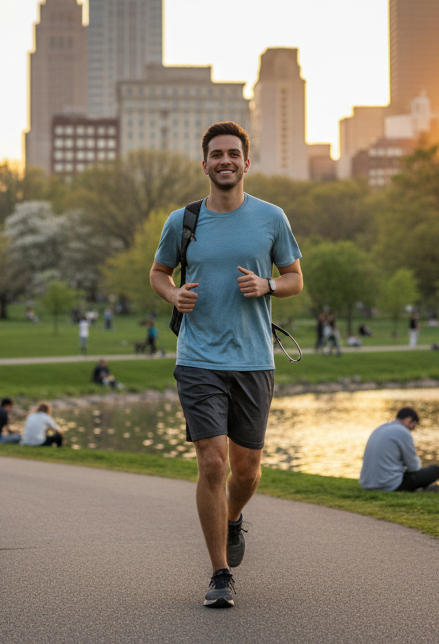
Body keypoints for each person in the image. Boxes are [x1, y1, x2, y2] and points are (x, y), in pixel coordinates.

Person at [149, 121, 304, 609]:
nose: (225, 161)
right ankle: (220, 574)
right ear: (205, 164)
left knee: (248, 469)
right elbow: (158, 272)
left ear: (246, 162)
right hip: (198, 358)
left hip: (254, 360)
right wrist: (173, 293)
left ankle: (233, 518)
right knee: (212, 462)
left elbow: (295, 277)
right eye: (216, 154)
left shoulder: (271, 218)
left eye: (233, 153)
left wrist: (269, 286)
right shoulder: (184, 221)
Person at [359, 407, 439, 493]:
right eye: (413, 426)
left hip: (367, 484)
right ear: (409, 419)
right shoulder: (403, 432)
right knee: (435, 470)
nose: (412, 430)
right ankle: (422, 490)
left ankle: (421, 489)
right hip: (389, 485)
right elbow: (414, 467)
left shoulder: (379, 428)